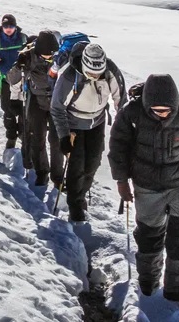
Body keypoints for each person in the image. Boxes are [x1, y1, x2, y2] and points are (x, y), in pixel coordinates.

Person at [109, 74, 179, 309]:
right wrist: (121, 181)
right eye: (157, 110)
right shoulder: (132, 112)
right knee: (149, 236)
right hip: (146, 186)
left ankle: (177, 289)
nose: (163, 115)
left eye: (167, 110)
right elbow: (118, 146)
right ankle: (148, 283)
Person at [51, 42, 125, 222]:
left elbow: (121, 101)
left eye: (97, 73)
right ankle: (75, 207)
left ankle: (80, 194)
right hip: (74, 124)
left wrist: (124, 129)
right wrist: (63, 136)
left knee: (93, 163)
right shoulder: (69, 76)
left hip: (97, 122)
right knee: (76, 166)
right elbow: (57, 107)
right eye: (90, 73)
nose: (94, 76)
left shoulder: (110, 72)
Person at [10, 30, 62, 188]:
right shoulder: (29, 56)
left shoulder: (60, 57)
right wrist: (19, 66)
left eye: (52, 54)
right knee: (36, 138)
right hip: (36, 101)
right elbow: (11, 78)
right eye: (47, 55)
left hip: (56, 103)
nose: (50, 58)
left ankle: (58, 177)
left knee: (57, 141)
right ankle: (42, 173)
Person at [0, 14, 28, 150]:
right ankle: (11, 136)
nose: (8, 29)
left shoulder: (23, 39)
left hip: (22, 81)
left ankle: (23, 135)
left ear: (15, 26)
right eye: (6, 26)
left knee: (24, 109)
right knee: (8, 109)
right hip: (5, 80)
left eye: (11, 26)